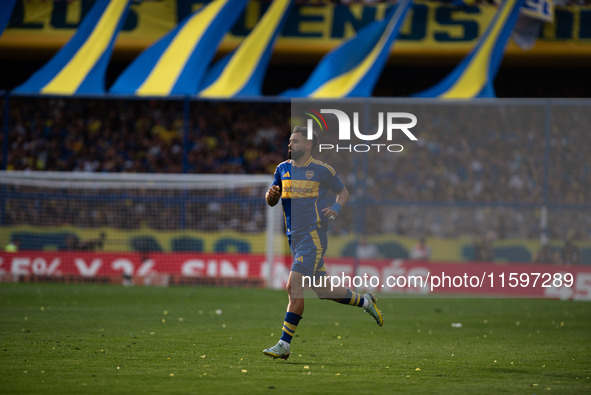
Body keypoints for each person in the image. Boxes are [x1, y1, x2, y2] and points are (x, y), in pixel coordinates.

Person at [262, 126, 383, 360]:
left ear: (308, 145)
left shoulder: (322, 170)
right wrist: (271, 196)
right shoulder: (282, 169)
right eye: (289, 141)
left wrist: (337, 207)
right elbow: (271, 200)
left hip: (313, 236)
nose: (290, 145)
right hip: (294, 238)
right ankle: (365, 301)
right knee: (324, 291)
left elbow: (344, 193)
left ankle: (284, 344)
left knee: (292, 286)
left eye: (295, 141)